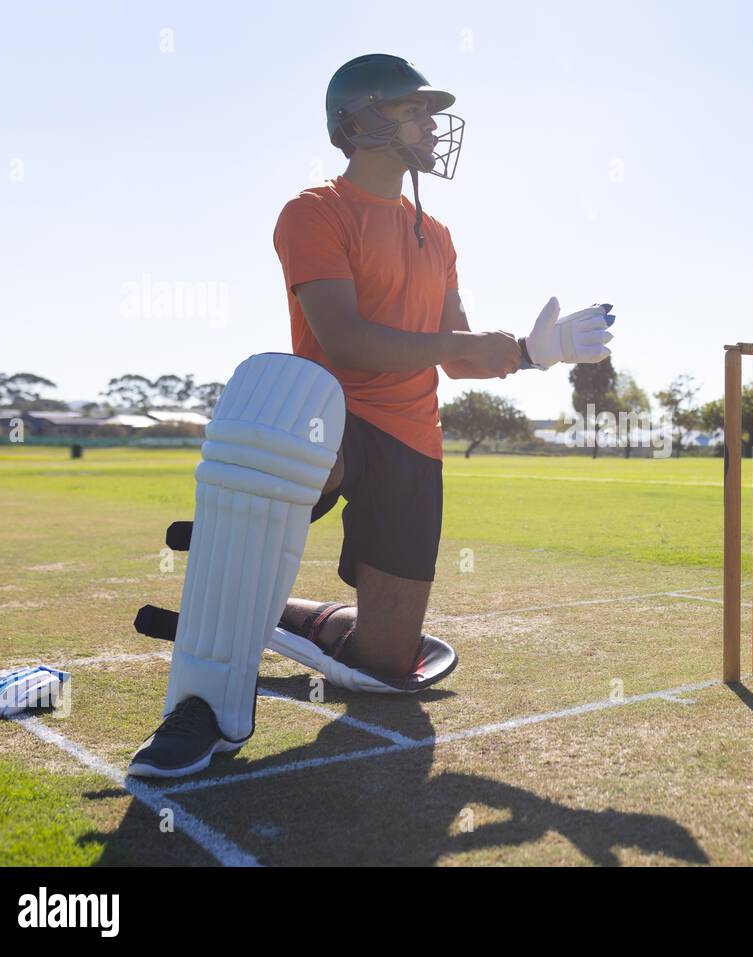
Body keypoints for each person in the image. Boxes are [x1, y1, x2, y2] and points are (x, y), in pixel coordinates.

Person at [129, 53, 613, 778]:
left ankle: (289, 610)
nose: (431, 121)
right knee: (274, 414)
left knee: (387, 664)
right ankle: (201, 705)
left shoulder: (438, 235)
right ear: (356, 123)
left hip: (413, 438)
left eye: (430, 109)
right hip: (325, 419)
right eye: (412, 108)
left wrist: (531, 351)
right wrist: (477, 344)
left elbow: (454, 357)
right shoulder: (313, 212)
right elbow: (346, 339)